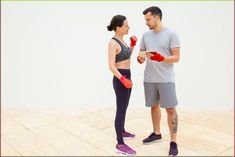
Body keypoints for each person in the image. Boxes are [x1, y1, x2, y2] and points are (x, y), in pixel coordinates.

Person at [137, 6, 180, 156]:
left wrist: (162, 58)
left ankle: (173, 141)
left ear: (157, 17)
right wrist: (140, 58)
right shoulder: (145, 35)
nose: (146, 22)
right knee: (153, 106)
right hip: (149, 78)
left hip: (166, 79)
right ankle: (157, 133)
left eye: (148, 19)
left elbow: (176, 57)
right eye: (145, 19)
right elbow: (141, 54)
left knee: (170, 109)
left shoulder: (171, 34)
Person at [107, 14, 137, 156]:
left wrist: (132, 45)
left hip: (127, 76)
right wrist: (122, 79)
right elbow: (111, 66)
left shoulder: (122, 41)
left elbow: (126, 56)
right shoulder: (112, 43)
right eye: (125, 25)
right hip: (120, 78)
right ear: (118, 28)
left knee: (124, 106)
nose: (128, 27)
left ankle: (122, 131)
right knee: (120, 109)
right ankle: (120, 143)